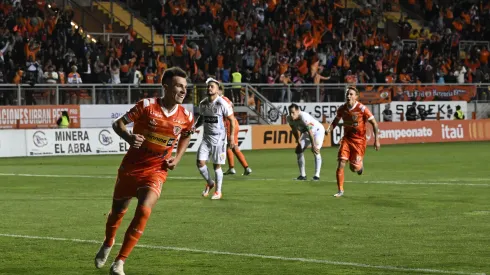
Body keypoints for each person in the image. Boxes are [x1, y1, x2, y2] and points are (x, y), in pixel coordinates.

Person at [94, 67, 194, 275]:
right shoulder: (147, 107)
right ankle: (108, 242)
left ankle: (120, 262)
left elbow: (186, 135)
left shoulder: (186, 116)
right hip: (131, 168)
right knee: (117, 213)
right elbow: (118, 124)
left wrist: (177, 157)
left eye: (185, 87)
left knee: (144, 209)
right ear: (165, 86)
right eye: (178, 86)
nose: (183, 91)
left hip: (157, 170)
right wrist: (129, 137)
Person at [325, 86, 380, 197]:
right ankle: (340, 190)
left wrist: (377, 140)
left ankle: (359, 166)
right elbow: (336, 120)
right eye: (347, 94)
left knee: (354, 168)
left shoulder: (362, 108)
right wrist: (329, 130)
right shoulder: (342, 109)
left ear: (356, 97)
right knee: (341, 162)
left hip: (359, 141)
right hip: (347, 139)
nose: (348, 96)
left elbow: (374, 123)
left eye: (351, 94)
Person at [194, 77, 236, 200]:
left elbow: (232, 120)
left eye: (212, 86)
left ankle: (218, 191)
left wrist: (231, 137)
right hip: (206, 138)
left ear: (217, 89)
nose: (209, 88)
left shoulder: (222, 103)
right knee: (200, 162)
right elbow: (201, 118)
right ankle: (210, 182)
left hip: (219, 139)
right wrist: (195, 126)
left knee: (216, 166)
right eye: (208, 86)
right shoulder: (203, 103)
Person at [216, 83, 252, 176]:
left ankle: (246, 167)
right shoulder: (227, 99)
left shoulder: (221, 100)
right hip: (233, 123)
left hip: (229, 124)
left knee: (233, 146)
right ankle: (232, 168)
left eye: (216, 90)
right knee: (228, 146)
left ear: (220, 90)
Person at [287, 103, 325, 181]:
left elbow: (310, 131)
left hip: (317, 131)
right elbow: (294, 130)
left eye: (293, 112)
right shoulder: (289, 118)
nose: (291, 114)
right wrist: (298, 141)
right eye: (290, 112)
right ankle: (302, 175)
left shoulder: (304, 116)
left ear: (298, 111)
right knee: (298, 151)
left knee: (315, 150)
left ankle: (316, 176)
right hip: (306, 133)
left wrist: (313, 145)